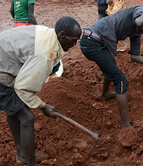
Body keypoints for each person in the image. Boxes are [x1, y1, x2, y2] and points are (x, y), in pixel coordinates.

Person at [80, 0, 143, 128]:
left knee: (111, 67)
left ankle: (105, 94)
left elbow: (135, 57)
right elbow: (138, 21)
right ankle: (126, 125)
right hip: (93, 41)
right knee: (120, 80)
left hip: (98, 43)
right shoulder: (140, 11)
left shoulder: (138, 32)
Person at [0, 16, 82, 166]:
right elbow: (22, 88)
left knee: (14, 111)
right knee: (27, 119)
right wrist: (43, 106)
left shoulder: (49, 34)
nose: (75, 44)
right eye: (73, 40)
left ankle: (22, 155)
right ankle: (30, 163)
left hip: (5, 60)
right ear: (62, 35)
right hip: (2, 73)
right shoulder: (45, 56)